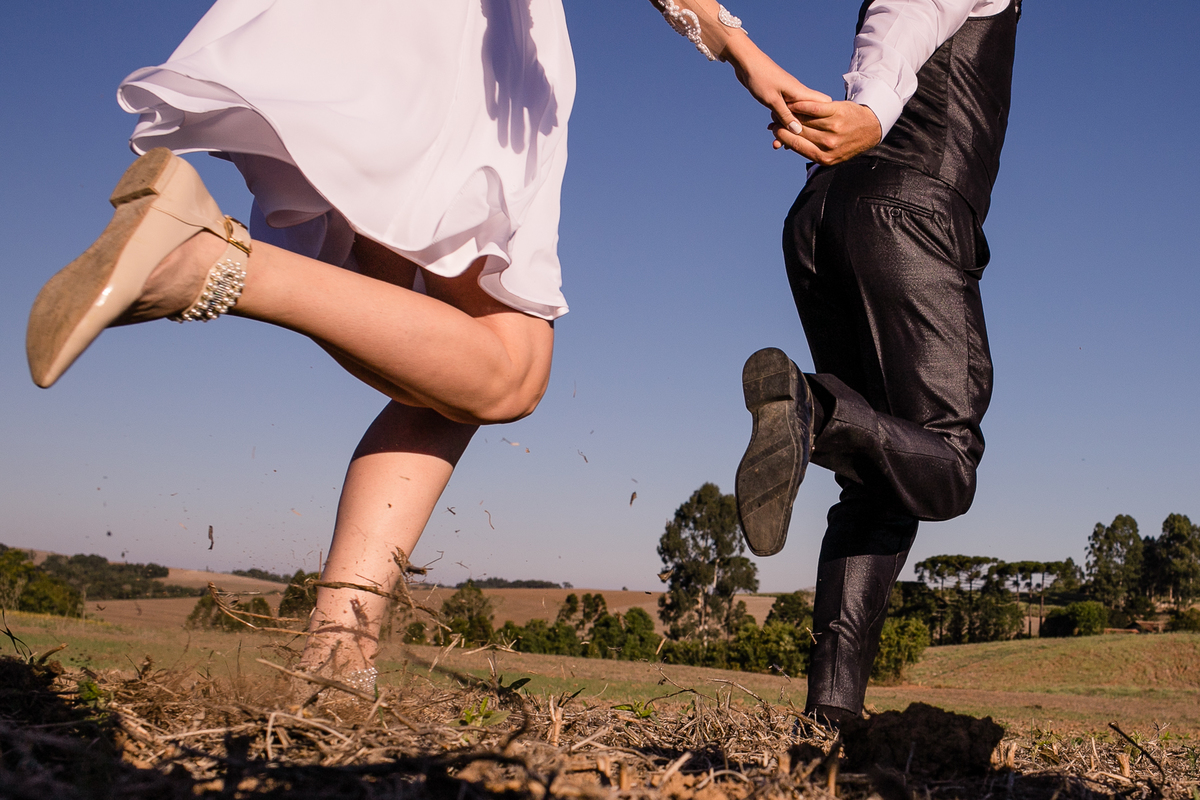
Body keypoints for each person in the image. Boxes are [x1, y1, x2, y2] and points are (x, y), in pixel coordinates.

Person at [26, 0, 826, 694]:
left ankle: (338, 655)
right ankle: (205, 259)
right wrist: (741, 49)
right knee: (506, 369)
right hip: (471, 42)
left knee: (436, 371)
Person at [733, 0, 1021, 724]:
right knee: (948, 465)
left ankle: (832, 712)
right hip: (908, 211)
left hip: (820, 218)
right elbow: (911, 9)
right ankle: (815, 409)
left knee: (880, 476)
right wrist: (871, 106)